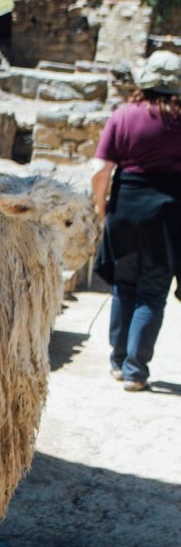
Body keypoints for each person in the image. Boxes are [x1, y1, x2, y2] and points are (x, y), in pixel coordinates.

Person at [92, 50, 181, 391]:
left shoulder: (124, 115)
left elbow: (100, 171)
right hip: (168, 219)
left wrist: (103, 210)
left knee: (124, 287)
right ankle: (135, 369)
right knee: (151, 294)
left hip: (125, 213)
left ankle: (117, 361)